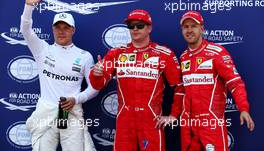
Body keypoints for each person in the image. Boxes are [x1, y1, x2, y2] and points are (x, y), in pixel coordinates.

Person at [89, 9, 184, 151]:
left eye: (140, 25)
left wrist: (173, 115)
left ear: (149, 28)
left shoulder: (164, 54)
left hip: (151, 119)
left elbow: (179, 87)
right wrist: (96, 74)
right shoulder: (117, 53)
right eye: (131, 26)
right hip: (125, 120)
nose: (135, 29)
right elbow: (98, 85)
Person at [20, 0, 98, 151]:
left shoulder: (85, 56)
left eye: (66, 27)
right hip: (46, 114)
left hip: (71, 114)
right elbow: (26, 30)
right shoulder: (42, 49)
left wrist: (76, 99)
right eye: (58, 27)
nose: (61, 31)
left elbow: (94, 88)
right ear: (53, 29)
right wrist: (28, 7)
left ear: (73, 30)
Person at [179, 10, 255, 151]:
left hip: (211, 124)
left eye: (193, 26)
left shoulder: (217, 53)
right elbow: (182, 91)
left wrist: (243, 108)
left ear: (202, 28)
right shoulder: (183, 57)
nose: (189, 30)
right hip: (188, 125)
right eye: (186, 27)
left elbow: (235, 83)